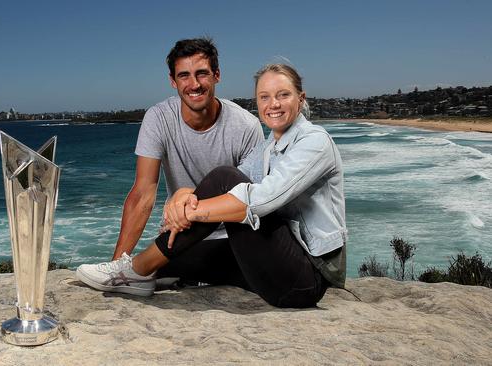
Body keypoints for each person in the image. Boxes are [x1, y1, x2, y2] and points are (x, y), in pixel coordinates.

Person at [77, 63, 347, 308]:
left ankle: (132, 270)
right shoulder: (269, 147)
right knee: (177, 259)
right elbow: (234, 184)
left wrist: (190, 211)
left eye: (283, 95)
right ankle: (141, 274)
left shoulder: (315, 142)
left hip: (306, 279)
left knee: (223, 177)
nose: (273, 104)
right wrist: (185, 195)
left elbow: (258, 200)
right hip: (277, 267)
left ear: (301, 98)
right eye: (264, 97)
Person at [109, 37, 264, 278]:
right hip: (179, 233)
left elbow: (248, 200)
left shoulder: (246, 126)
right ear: (173, 81)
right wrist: (115, 267)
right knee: (147, 269)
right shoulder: (159, 118)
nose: (194, 84)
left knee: (156, 269)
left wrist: (186, 197)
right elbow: (143, 194)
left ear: (217, 75)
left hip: (230, 237)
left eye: (202, 73)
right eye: (184, 76)